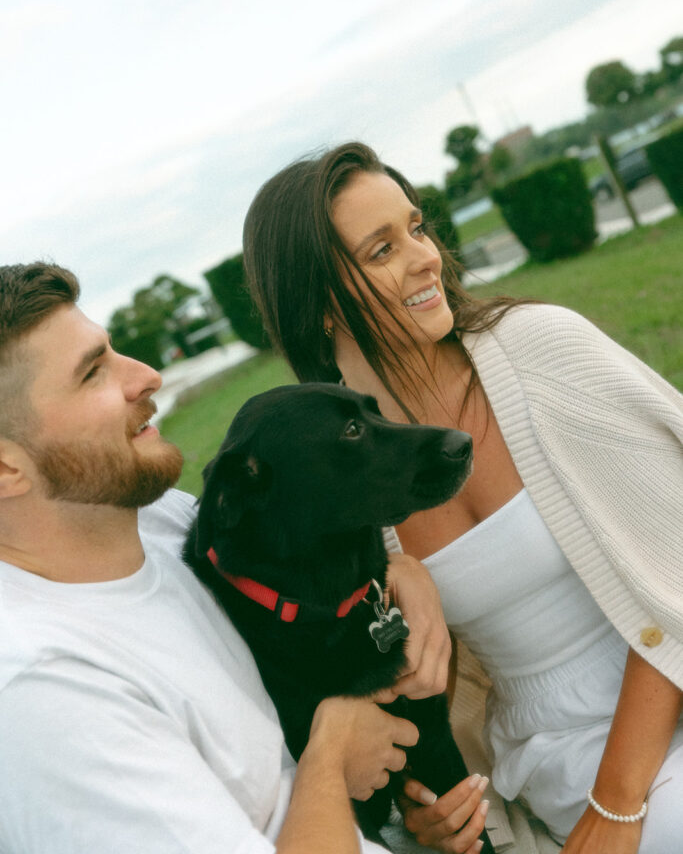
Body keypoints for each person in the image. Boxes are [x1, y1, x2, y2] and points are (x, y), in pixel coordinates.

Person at [242, 141, 683, 854]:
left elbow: (675, 571)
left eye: (417, 228)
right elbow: (403, 685)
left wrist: (619, 805)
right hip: (555, 749)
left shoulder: (542, 349)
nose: (426, 257)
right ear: (319, 305)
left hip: (660, 683)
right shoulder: (346, 495)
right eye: (381, 249)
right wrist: (425, 809)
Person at [0, 261, 491, 854]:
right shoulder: (47, 697)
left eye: (114, 351)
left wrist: (405, 574)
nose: (149, 376)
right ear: (6, 467)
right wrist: (331, 753)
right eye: (92, 374)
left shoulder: (163, 522)